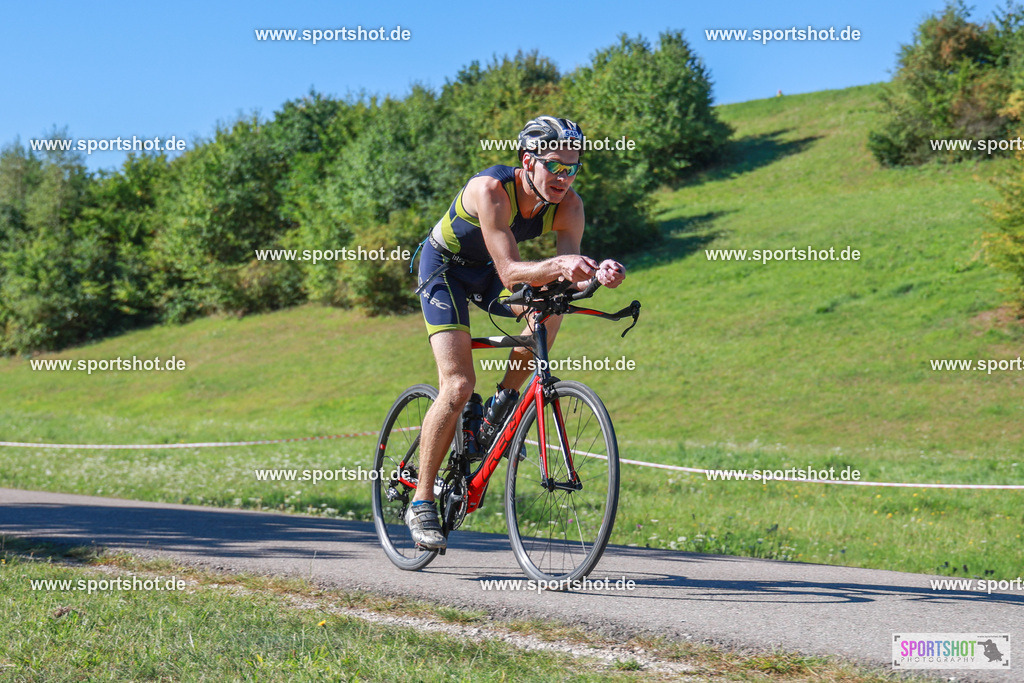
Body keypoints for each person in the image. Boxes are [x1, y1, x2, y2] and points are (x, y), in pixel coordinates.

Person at [408, 115, 626, 549]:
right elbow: (511, 272)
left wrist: (597, 275)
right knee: (457, 385)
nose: (564, 178)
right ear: (528, 161)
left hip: (487, 271)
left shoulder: (570, 206)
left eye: (573, 168)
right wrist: (562, 267)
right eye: (555, 167)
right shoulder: (490, 190)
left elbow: (568, 279)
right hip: (445, 270)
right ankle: (422, 501)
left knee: (553, 306)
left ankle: (500, 406)